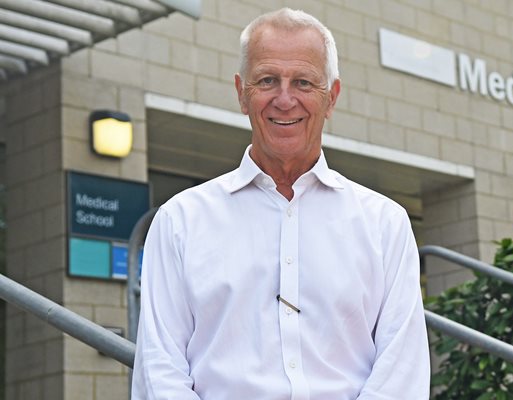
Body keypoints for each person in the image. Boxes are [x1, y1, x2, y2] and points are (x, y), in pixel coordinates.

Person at [131, 8, 430, 399]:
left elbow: (401, 372)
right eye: (267, 80)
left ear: (332, 97)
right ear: (242, 93)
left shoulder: (385, 224)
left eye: (304, 82)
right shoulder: (179, 221)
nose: (285, 100)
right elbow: (159, 368)